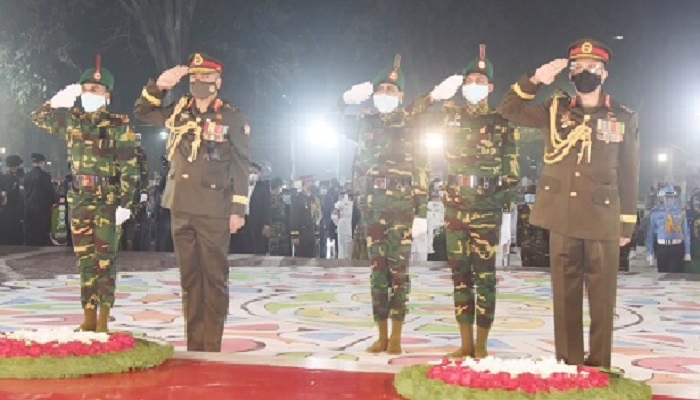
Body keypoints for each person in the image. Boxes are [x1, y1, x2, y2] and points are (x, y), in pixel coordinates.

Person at [498, 39, 639, 369]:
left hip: (603, 217)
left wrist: (626, 223)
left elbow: (629, 172)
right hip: (561, 215)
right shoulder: (555, 110)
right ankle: (569, 364)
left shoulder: (621, 116)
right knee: (565, 297)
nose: (584, 73)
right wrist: (534, 80)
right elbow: (508, 110)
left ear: (604, 73)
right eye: (577, 68)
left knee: (602, 299)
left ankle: (600, 364)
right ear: (570, 74)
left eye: (591, 68)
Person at [134, 52, 250, 352]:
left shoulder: (231, 116)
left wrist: (238, 210)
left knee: (214, 279)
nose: (199, 82)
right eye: (195, 77)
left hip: (214, 210)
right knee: (189, 279)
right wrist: (159, 86)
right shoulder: (179, 111)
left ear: (218, 81)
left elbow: (240, 164)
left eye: (206, 77)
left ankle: (211, 345)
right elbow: (142, 111)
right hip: (180, 206)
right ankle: (194, 345)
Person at [31, 55, 139, 332]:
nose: (91, 94)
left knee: (105, 260)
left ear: (108, 95)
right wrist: (58, 100)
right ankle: (88, 316)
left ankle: (103, 318)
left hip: (107, 200)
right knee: (84, 259)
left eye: (96, 90)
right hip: (79, 197)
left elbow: (130, 168)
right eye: (86, 89)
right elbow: (39, 118)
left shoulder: (118, 125)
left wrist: (126, 204)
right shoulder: (72, 121)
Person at [429, 44, 520, 358]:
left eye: (481, 82)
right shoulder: (448, 116)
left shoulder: (501, 121)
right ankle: (465, 343)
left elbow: (511, 170)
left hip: (486, 209)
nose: (474, 87)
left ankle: (481, 345)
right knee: (460, 277)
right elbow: (412, 120)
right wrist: (435, 95)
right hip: (455, 209)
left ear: (491, 87)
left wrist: (507, 214)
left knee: (485, 278)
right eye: (469, 81)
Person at [341, 54, 434, 354]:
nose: (384, 95)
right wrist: (345, 100)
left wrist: (421, 211)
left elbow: (421, 168)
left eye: (390, 91)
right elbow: (334, 122)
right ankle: (380, 333)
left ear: (401, 95)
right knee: (377, 271)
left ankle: (396, 334)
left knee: (399, 272)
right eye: (380, 90)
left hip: (402, 206)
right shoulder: (364, 122)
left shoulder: (410, 125)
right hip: (372, 206)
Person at [646, 186, 690, 273]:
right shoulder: (655, 213)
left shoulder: (681, 212)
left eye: (671, 197)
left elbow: (686, 233)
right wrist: (650, 252)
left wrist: (687, 252)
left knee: (675, 276)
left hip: (676, 247)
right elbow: (650, 234)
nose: (669, 199)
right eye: (667, 197)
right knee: (662, 275)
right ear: (663, 198)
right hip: (661, 248)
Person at [23, 153, 56, 246]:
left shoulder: (27, 175)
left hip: (30, 206)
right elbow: (49, 191)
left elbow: (26, 190)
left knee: (31, 228)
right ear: (41, 163)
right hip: (42, 207)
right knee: (42, 229)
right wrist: (52, 203)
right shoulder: (45, 176)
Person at [290, 176, 320, 258]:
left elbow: (316, 218)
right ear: (305, 183)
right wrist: (295, 235)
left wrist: (317, 235)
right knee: (300, 258)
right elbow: (294, 217)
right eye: (311, 182)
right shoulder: (297, 198)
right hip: (301, 234)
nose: (313, 184)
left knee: (312, 258)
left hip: (311, 234)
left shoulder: (313, 199)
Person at [0, 155, 25, 245]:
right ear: (16, 166)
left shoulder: (3, 178)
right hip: (12, 213)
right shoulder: (13, 179)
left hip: (5, 213)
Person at [246, 162, 271, 255]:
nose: (252, 174)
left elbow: (267, 206)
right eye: (250, 172)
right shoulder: (240, 185)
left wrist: (266, 224)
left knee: (258, 247)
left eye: (255, 172)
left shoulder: (263, 187)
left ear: (259, 174)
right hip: (242, 220)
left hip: (258, 222)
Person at [269, 177, 291, 256]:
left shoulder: (280, 199)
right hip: (274, 229)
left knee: (280, 250)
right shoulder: (271, 199)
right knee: (274, 250)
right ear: (278, 187)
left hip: (280, 228)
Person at [332, 189, 354, 259]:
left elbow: (334, 215)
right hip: (343, 226)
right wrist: (337, 223)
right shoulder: (340, 203)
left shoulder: (352, 203)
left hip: (348, 226)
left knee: (349, 246)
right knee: (342, 246)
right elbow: (334, 215)